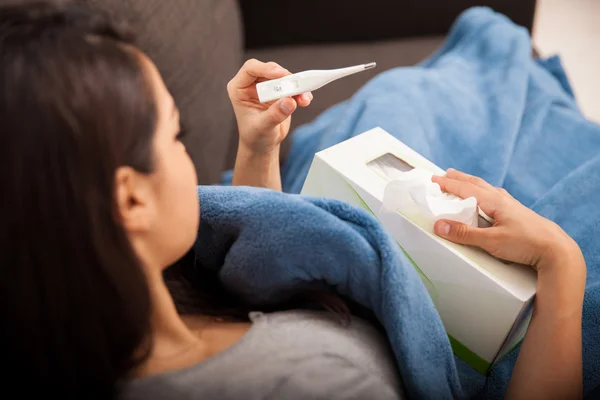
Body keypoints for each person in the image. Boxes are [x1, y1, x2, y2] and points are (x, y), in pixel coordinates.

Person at [0, 2, 586, 400]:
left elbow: (253, 255)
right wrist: (561, 265)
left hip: (347, 239)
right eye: (176, 137)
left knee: (405, 98)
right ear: (129, 201)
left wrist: (258, 151)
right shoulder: (309, 384)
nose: (188, 156)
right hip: (459, 321)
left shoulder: (125, 296)